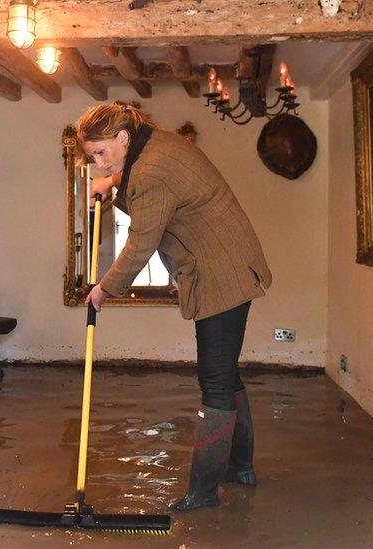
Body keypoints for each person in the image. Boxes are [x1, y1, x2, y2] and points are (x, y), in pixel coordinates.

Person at [76, 102, 272, 511]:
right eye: (93, 156)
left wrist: (104, 289)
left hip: (221, 272)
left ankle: (204, 491)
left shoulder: (150, 171)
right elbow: (140, 185)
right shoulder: (156, 145)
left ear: (122, 138)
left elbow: (142, 241)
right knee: (224, 373)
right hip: (230, 263)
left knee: (215, 380)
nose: (98, 162)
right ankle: (241, 467)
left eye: (101, 152)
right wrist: (112, 180)